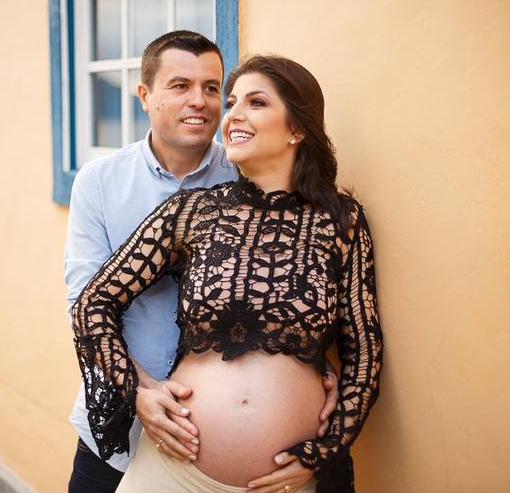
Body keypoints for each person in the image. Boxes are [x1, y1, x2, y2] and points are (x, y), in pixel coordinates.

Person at [72, 54, 383, 493]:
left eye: (256, 102)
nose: (233, 114)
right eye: (232, 102)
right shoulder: (193, 212)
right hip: (174, 471)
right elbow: (93, 303)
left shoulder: (341, 221)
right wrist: (137, 392)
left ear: (297, 129)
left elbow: (364, 352)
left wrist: (326, 449)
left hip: (291, 480)